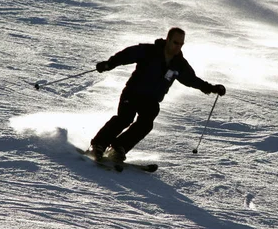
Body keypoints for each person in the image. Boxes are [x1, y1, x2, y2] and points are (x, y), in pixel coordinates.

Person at [90, 27, 226, 161]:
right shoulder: (150, 51)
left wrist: (212, 88)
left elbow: (191, 80)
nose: (178, 47)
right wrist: (109, 64)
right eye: (175, 42)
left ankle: (119, 148)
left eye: (181, 44)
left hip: (151, 100)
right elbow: (128, 55)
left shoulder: (179, 63)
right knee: (125, 118)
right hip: (133, 93)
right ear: (168, 40)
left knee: (146, 123)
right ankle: (99, 144)